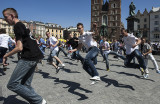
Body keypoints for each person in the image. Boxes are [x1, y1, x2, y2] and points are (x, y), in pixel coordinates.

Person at [2, 8, 47, 104]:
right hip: (36, 56)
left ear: (12, 16)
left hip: (28, 56)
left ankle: (39, 101)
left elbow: (19, 48)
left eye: (6, 17)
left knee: (12, 84)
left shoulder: (17, 26)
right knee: (26, 85)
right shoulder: (23, 25)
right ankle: (36, 102)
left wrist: (6, 55)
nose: (5, 20)